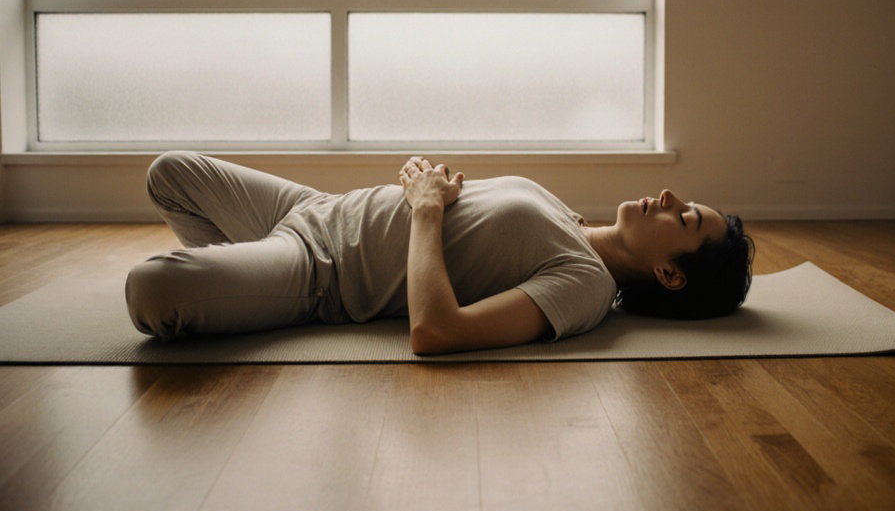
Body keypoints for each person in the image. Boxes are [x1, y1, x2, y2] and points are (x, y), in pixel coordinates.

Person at [125, 151, 754, 355]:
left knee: (150, 291)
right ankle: (238, 287)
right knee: (169, 172)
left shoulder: (585, 288)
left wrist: (425, 208)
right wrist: (433, 182)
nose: (670, 195)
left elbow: (436, 330)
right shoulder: (568, 217)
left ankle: (249, 287)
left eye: (686, 217)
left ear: (670, 273)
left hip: (322, 271)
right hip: (319, 206)